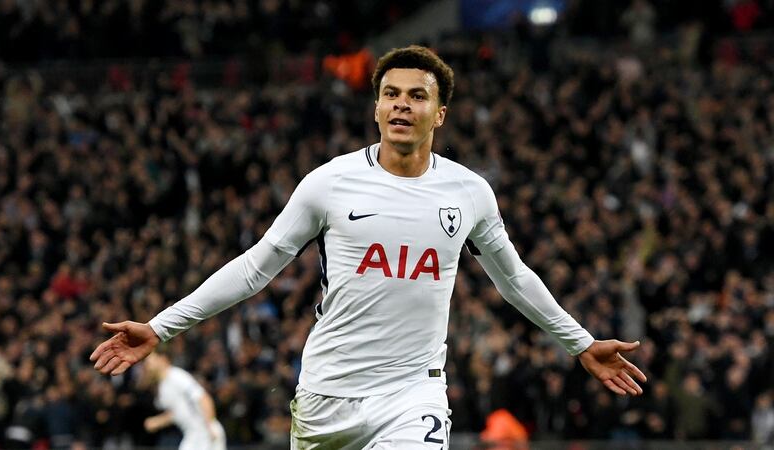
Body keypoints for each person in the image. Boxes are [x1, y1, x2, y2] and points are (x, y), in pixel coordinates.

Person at [91, 45, 647, 449]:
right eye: (390, 95)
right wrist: (161, 327)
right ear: (377, 109)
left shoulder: (470, 192)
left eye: (417, 96)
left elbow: (514, 278)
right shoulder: (330, 183)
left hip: (414, 394)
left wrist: (579, 343)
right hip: (326, 396)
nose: (402, 105)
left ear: (439, 114)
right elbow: (256, 267)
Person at [140, 352, 226, 450]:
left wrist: (211, 425)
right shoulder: (161, 385)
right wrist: (157, 422)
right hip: (193, 434)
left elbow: (203, 397)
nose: (147, 365)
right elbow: (176, 413)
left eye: (150, 361)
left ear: (162, 359)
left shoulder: (176, 375)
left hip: (205, 432)